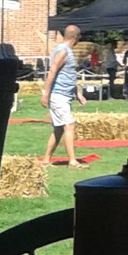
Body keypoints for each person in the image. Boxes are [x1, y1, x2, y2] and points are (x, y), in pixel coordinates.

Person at [42, 23, 87, 164]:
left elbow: (68, 75)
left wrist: (78, 93)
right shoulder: (63, 51)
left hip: (64, 95)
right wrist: (46, 94)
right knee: (69, 125)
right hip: (58, 95)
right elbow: (53, 71)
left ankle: (46, 159)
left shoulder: (66, 50)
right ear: (76, 36)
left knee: (58, 129)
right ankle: (72, 161)